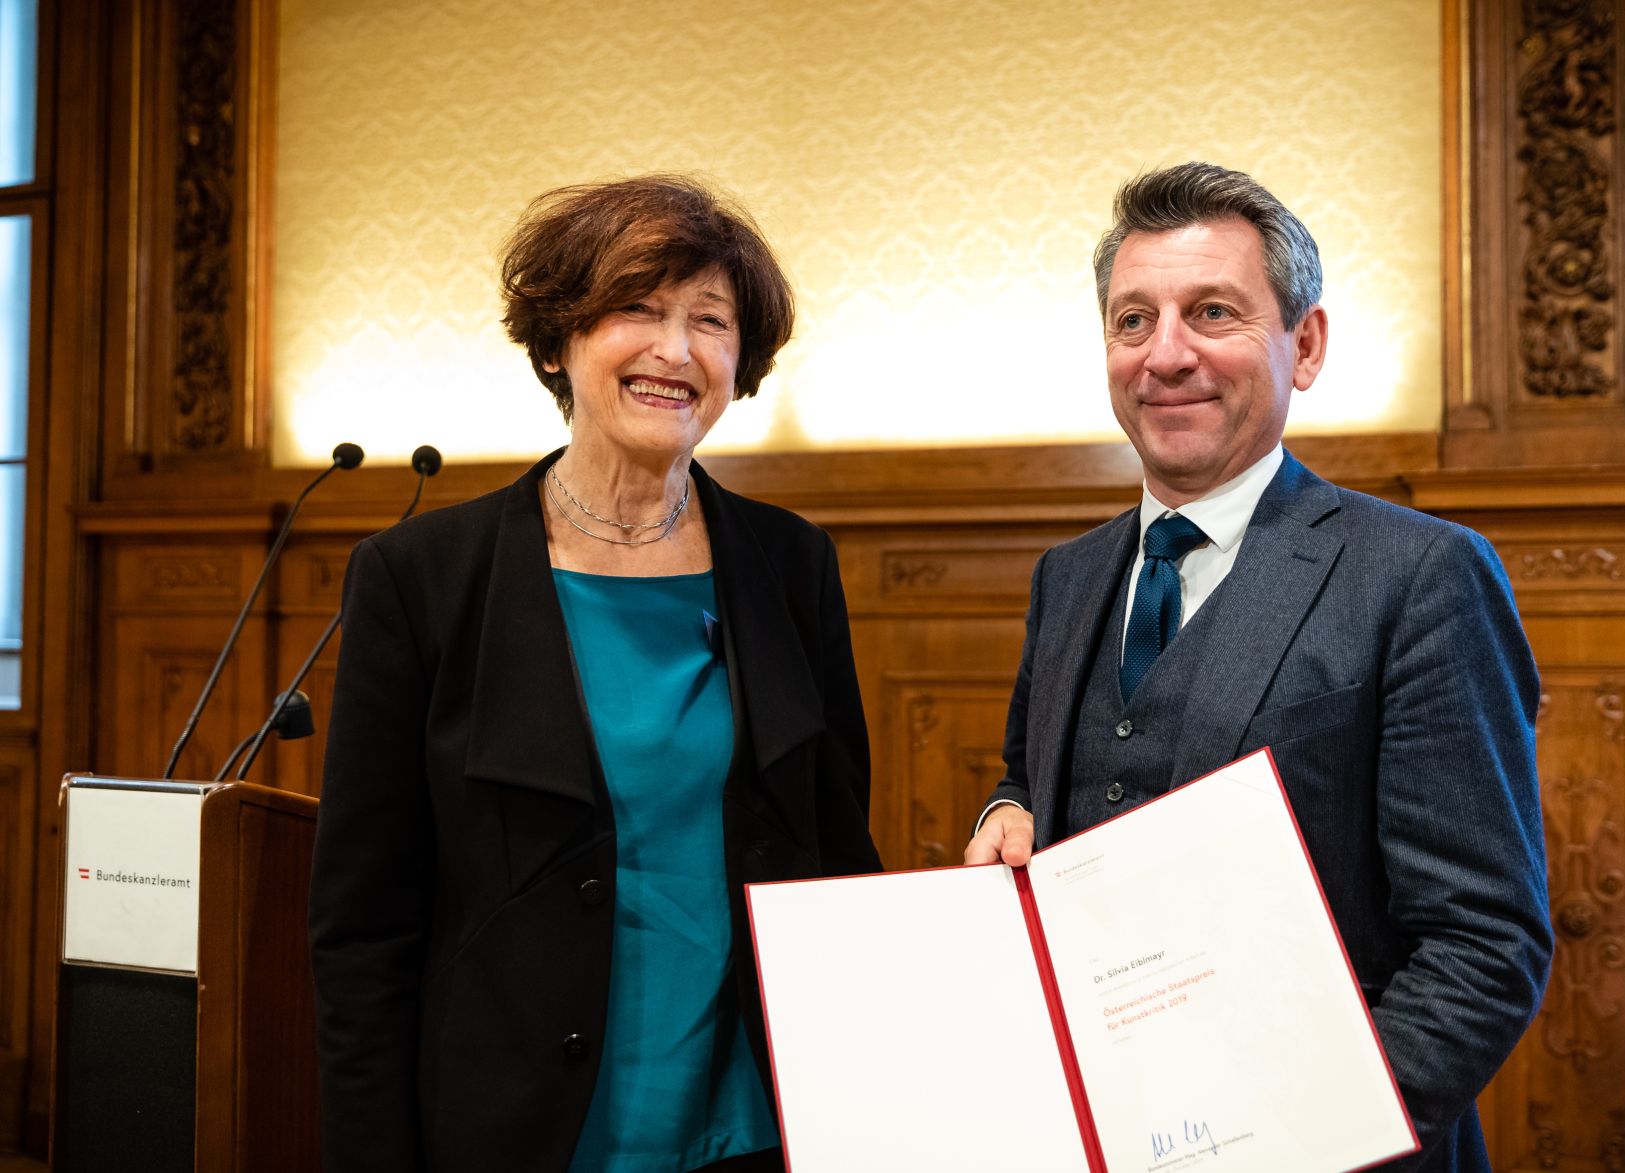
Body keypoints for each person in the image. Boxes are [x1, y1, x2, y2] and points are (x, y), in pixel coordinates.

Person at [963, 162, 1551, 1172]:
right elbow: (1036, 777)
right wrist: (1002, 814)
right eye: (1131, 320)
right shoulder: (1066, 577)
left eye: (1211, 312)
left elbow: (1483, 944)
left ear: (1304, 344)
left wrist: (1299, 1145)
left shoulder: (1419, 575)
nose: (1166, 354)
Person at [308, 175, 881, 1173]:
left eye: (711, 320)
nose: (676, 349)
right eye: (638, 310)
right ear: (557, 340)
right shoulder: (422, 580)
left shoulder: (791, 566)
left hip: (754, 1126)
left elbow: (839, 858)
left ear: (739, 364)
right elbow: (364, 928)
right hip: (515, 1129)